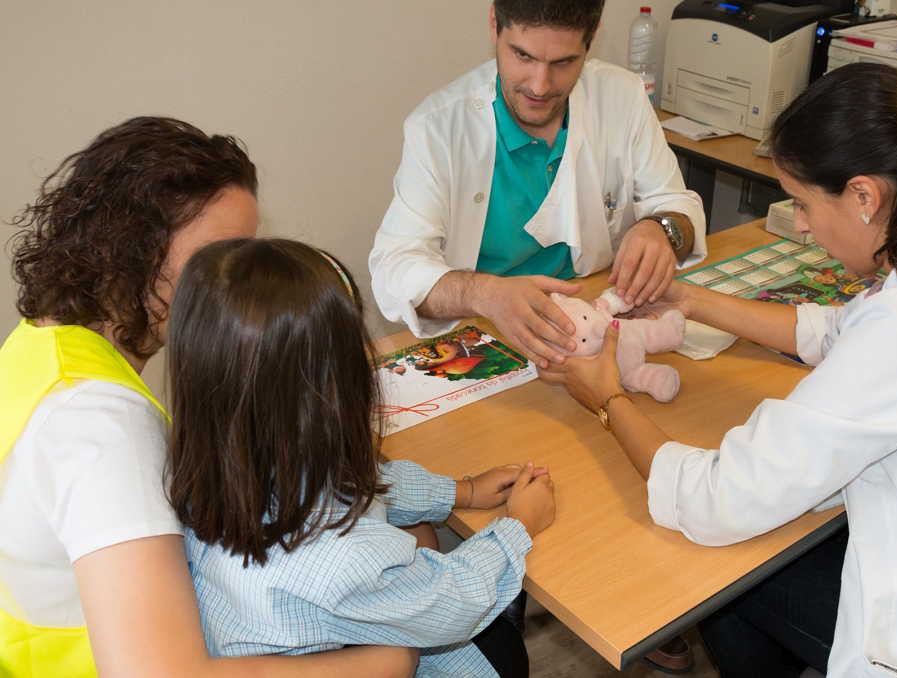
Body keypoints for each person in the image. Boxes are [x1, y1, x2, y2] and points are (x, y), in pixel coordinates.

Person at [545, 62, 897, 676]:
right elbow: (839, 332)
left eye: (803, 203)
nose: (801, 225)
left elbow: (718, 499)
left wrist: (606, 398)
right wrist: (691, 299)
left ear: (864, 195)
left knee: (725, 586)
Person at [0, 117, 415, 677]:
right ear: (131, 252)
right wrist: (391, 658)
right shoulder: (100, 426)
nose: (242, 281)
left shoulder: (41, 345)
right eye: (220, 258)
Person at [165, 237, 557, 678]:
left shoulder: (208, 469)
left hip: (331, 642)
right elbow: (453, 604)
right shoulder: (339, 561)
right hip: (374, 645)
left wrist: (458, 491)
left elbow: (347, 484)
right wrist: (518, 526)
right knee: (498, 654)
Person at [369, 0, 707, 372]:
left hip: (594, 328)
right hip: (490, 333)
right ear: (495, 25)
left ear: (591, 41)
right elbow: (393, 269)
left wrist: (661, 230)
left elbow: (676, 204)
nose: (540, 85)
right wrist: (484, 293)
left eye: (563, 63)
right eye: (522, 56)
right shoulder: (437, 128)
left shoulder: (621, 96)